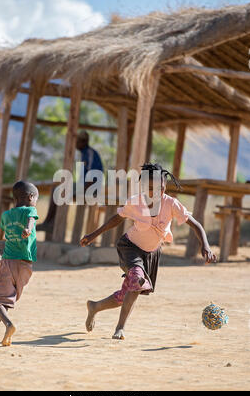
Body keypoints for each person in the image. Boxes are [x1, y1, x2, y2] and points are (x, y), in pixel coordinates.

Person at [80, 162, 217, 340]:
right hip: (129, 248)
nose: (156, 192)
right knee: (137, 281)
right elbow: (117, 219)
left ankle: (95, 307)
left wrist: (205, 246)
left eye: (160, 188)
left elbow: (196, 225)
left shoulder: (171, 204)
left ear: (164, 186)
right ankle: (119, 329)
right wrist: (93, 235)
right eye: (150, 188)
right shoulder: (135, 202)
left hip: (151, 254)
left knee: (129, 291)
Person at [0, 181, 39, 346]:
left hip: (9, 262)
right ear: (30, 197)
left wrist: (15, 231)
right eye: (36, 198)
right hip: (26, 265)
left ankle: (9, 324)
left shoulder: (6, 215)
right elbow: (30, 220)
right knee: (4, 301)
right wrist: (27, 230)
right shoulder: (31, 210)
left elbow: (0, 236)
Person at [37, 131, 104, 234]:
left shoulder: (89, 153)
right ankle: (51, 223)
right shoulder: (84, 154)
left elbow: (92, 176)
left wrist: (82, 191)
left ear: (83, 142)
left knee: (58, 190)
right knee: (58, 189)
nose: (75, 144)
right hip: (85, 186)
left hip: (91, 188)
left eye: (77, 142)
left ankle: (49, 223)